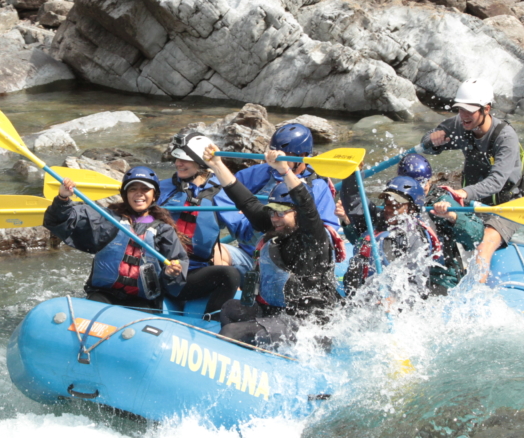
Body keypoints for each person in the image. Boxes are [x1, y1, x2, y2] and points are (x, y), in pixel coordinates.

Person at [203, 145, 339, 350]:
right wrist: (217, 165)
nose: (275, 218)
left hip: (307, 323)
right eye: (272, 212)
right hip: (277, 312)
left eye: (281, 212)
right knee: (230, 308)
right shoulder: (277, 226)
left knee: (231, 332)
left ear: (296, 214)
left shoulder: (313, 237)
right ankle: (251, 355)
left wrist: (285, 170)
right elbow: (246, 201)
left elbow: (307, 207)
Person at [420, 79, 524, 279]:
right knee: (437, 220)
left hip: (505, 207)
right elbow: (427, 143)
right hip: (473, 202)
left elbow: (497, 182)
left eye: (469, 110)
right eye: (460, 109)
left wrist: (463, 192)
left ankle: (474, 301)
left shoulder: (506, 137)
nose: (463, 116)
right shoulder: (460, 124)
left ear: (486, 109)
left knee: (484, 247)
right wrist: (433, 139)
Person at [44, 166, 187, 309]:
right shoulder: (106, 219)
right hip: (104, 294)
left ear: (154, 195)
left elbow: (177, 275)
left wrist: (170, 273)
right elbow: (60, 220)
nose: (139, 193)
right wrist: (63, 198)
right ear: (125, 195)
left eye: (145, 189)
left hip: (141, 300)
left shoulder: (164, 231)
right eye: (133, 189)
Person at [339, 172, 482, 296]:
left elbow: (418, 281)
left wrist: (395, 299)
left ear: (412, 208)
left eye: (397, 205)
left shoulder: (415, 236)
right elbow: (354, 200)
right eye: (388, 204)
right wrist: (353, 174)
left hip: (397, 302)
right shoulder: (379, 219)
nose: (389, 209)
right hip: (361, 295)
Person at [218, 123, 340, 256]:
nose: (276, 158)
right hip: (251, 251)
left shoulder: (317, 185)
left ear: (303, 155)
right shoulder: (260, 172)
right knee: (214, 253)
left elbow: (327, 230)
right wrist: (243, 223)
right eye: (273, 152)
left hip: (294, 255)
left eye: (285, 154)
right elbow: (225, 192)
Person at [158, 132, 243, 313]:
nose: (178, 164)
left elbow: (245, 229)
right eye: (177, 158)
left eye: (185, 160)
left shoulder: (219, 194)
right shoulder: (160, 189)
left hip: (193, 274)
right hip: (159, 268)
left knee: (229, 274)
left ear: (200, 162)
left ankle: (211, 323)